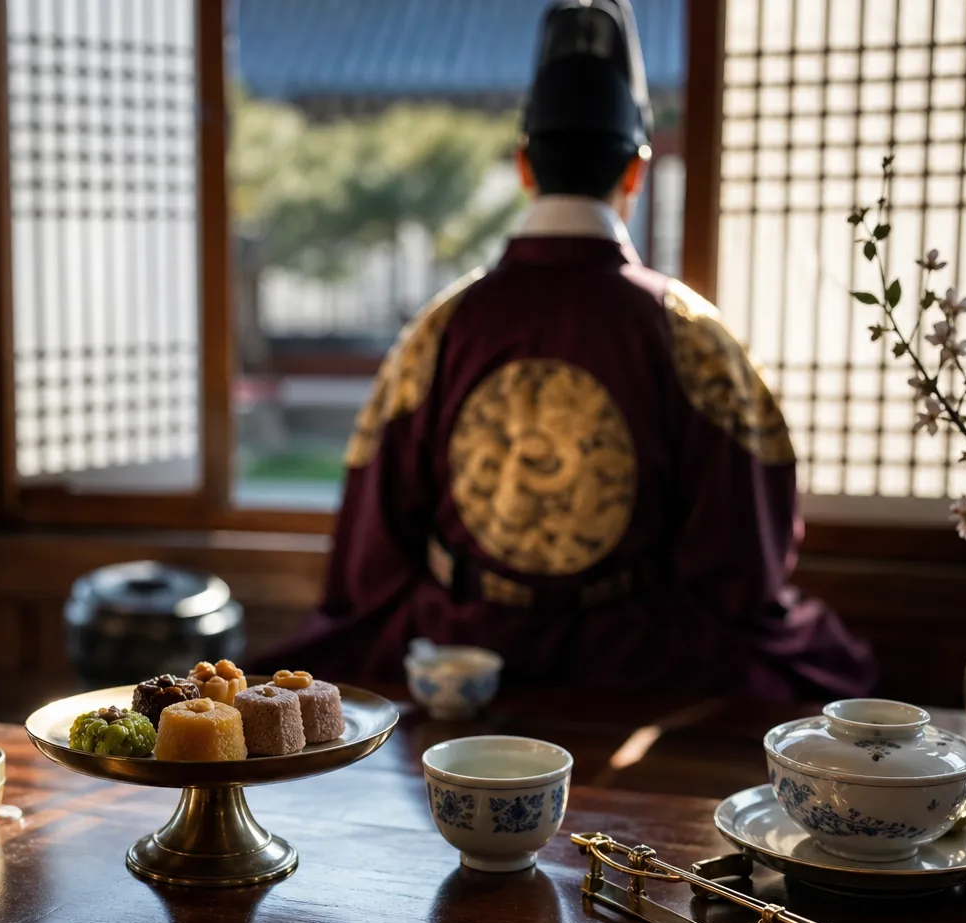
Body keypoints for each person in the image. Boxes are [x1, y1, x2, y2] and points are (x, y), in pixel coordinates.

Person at [256, 0, 875, 699]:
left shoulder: (442, 325)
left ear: (523, 165)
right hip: (644, 658)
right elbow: (744, 554)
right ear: (636, 172)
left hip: (464, 654)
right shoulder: (692, 330)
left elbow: (371, 542)